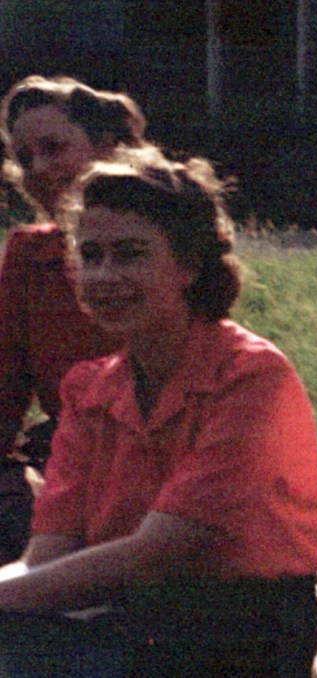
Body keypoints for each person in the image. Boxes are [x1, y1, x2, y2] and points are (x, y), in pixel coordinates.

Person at [0, 148, 317, 677]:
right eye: (91, 255)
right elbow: (46, 558)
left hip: (242, 627)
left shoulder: (250, 376)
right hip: (129, 613)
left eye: (130, 254)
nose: (105, 276)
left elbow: (157, 552)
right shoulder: (88, 390)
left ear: (188, 266)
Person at [0, 75, 147, 562]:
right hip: (67, 460)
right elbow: (5, 389)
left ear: (106, 148)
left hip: (152, 461)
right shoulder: (29, 255)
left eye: (54, 147)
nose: (39, 168)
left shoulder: (160, 246)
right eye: (24, 158)